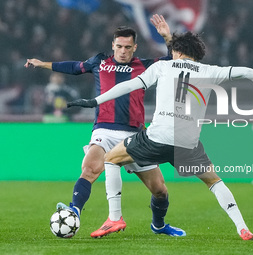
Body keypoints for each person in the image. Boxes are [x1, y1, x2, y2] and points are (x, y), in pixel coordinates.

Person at [67, 31, 253, 240]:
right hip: (187, 144)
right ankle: (242, 228)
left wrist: (95, 101)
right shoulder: (209, 71)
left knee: (111, 159)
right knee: (214, 182)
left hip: (157, 138)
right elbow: (248, 72)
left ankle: (115, 218)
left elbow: (129, 85)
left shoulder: (163, 66)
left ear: (178, 52)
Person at [25, 15, 187, 238]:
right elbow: (75, 67)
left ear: (135, 47)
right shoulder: (100, 62)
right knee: (89, 168)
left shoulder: (146, 66)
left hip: (136, 135)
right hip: (104, 130)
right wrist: (43, 63)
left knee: (160, 191)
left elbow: (176, 62)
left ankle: (158, 225)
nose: (122, 51)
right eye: (119, 46)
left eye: (128, 47)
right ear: (113, 45)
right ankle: (74, 211)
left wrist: (168, 37)